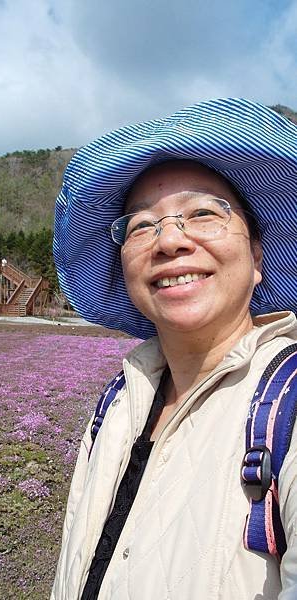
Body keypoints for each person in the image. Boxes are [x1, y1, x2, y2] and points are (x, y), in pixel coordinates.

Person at [51, 98, 297, 599]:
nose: (169, 241)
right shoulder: (118, 400)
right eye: (142, 225)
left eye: (203, 213)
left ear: (256, 257)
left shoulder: (287, 409)